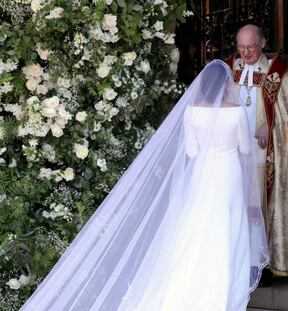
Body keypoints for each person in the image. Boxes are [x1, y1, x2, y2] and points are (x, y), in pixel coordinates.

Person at [20, 60, 269, 310]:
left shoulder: (192, 111)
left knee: (196, 229)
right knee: (228, 226)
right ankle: (224, 290)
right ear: (226, 84)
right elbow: (245, 148)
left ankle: (189, 287)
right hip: (228, 175)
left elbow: (191, 151)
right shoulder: (236, 111)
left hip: (202, 175)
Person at [225, 24, 288, 282]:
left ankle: (264, 263)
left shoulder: (276, 73)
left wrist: (268, 126)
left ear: (263, 43)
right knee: (238, 207)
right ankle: (239, 260)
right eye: (241, 47)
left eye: (251, 47)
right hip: (233, 153)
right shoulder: (229, 68)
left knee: (259, 208)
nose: (246, 52)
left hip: (263, 154)